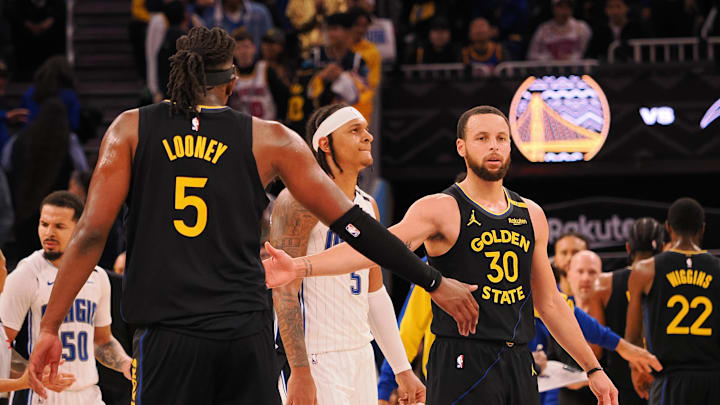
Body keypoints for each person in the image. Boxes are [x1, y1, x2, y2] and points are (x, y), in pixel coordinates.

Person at [26, 26, 477, 402]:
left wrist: (50, 326)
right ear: (233, 80)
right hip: (242, 333)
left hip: (168, 336)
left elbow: (89, 236)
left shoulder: (131, 128)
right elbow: (358, 226)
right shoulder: (270, 139)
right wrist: (432, 281)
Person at [266, 105, 622, 404]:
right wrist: (301, 266)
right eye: (482, 138)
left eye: (501, 138)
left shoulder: (531, 213)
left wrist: (593, 369)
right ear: (462, 147)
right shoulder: (439, 208)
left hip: (517, 358)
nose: (494, 146)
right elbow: (378, 249)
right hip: (461, 358)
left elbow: (551, 304)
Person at [272, 104, 425, 405]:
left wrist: (402, 368)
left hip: (360, 352)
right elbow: (284, 291)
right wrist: (300, 371)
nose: (367, 137)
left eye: (367, 129)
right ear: (325, 143)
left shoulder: (369, 205)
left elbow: (374, 291)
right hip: (315, 357)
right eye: (354, 130)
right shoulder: (297, 201)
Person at [0, 191, 132, 404]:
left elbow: (102, 341)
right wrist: (30, 374)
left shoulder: (97, 277)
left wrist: (125, 363)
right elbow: (2, 345)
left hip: (88, 393)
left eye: (59, 226)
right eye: (44, 224)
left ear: (80, 228)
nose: (49, 233)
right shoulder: (26, 275)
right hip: (41, 394)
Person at [626, 198, 720, 404]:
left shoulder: (645, 270)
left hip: (668, 378)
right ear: (702, 229)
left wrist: (638, 370)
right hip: (713, 379)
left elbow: (632, 336)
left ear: (668, 227)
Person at [588, 217, 664, 405]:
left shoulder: (603, 284)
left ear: (628, 248)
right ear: (663, 248)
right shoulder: (672, 281)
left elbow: (596, 351)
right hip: (663, 380)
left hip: (622, 385)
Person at [306, 13, 369, 114]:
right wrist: (321, 76)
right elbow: (302, 86)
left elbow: (364, 95)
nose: (330, 34)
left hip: (347, 116)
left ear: (348, 32)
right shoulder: (315, 55)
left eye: (335, 29)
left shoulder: (357, 61)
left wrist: (342, 76)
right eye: (328, 30)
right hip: (317, 114)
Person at [228, 28, 289, 121]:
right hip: (241, 129)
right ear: (233, 52)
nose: (243, 51)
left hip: (268, 125)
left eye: (246, 47)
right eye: (238, 48)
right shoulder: (229, 74)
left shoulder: (265, 69)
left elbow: (282, 97)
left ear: (254, 48)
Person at [527, 0, 592, 61]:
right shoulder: (543, 29)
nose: (564, 10)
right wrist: (549, 58)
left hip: (576, 71)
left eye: (568, 6)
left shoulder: (582, 28)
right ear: (553, 8)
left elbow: (585, 54)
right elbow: (531, 55)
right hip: (548, 71)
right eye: (560, 6)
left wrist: (571, 58)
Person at [348, 7, 381, 124]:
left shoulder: (372, 51)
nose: (361, 29)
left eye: (365, 25)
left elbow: (373, 82)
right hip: (335, 106)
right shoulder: (339, 47)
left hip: (361, 108)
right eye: (357, 25)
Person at [200, 0, 274, 47]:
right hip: (222, 66)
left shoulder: (260, 13)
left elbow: (269, 43)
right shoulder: (210, 18)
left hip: (258, 66)